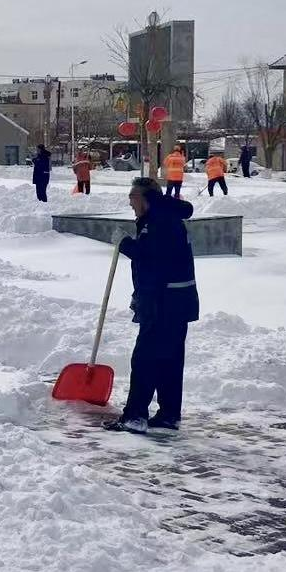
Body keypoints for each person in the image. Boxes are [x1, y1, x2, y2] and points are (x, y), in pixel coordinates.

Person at [102, 177, 199, 433]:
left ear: (146, 198)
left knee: (145, 358)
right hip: (176, 300)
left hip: (164, 302)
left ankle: (135, 416)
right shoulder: (163, 217)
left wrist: (124, 244)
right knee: (169, 359)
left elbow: (152, 260)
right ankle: (168, 414)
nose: (130, 203)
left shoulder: (160, 221)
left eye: (132, 197)